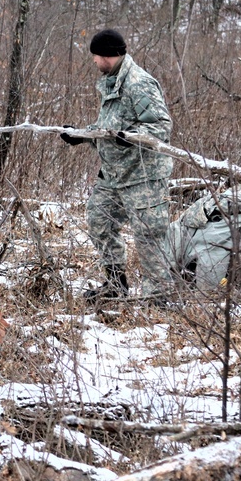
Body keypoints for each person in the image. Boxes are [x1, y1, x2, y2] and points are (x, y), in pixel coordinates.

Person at [61, 29, 174, 302]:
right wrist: (80, 135)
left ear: (109, 56)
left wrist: (132, 138)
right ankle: (115, 285)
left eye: (96, 57)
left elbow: (162, 126)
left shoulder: (138, 83)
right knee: (99, 222)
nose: (94, 62)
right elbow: (108, 129)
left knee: (149, 236)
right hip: (113, 174)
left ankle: (159, 299)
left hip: (142, 176)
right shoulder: (112, 81)